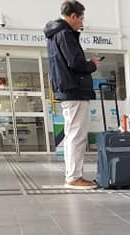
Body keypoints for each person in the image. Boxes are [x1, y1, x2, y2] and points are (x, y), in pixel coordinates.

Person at [45, 1, 101, 189]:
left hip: (68, 90)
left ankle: (72, 175)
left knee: (72, 135)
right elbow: (75, 63)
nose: (81, 23)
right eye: (81, 18)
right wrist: (92, 64)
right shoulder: (65, 34)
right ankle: (74, 177)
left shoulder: (55, 35)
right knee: (77, 136)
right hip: (74, 90)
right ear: (73, 16)